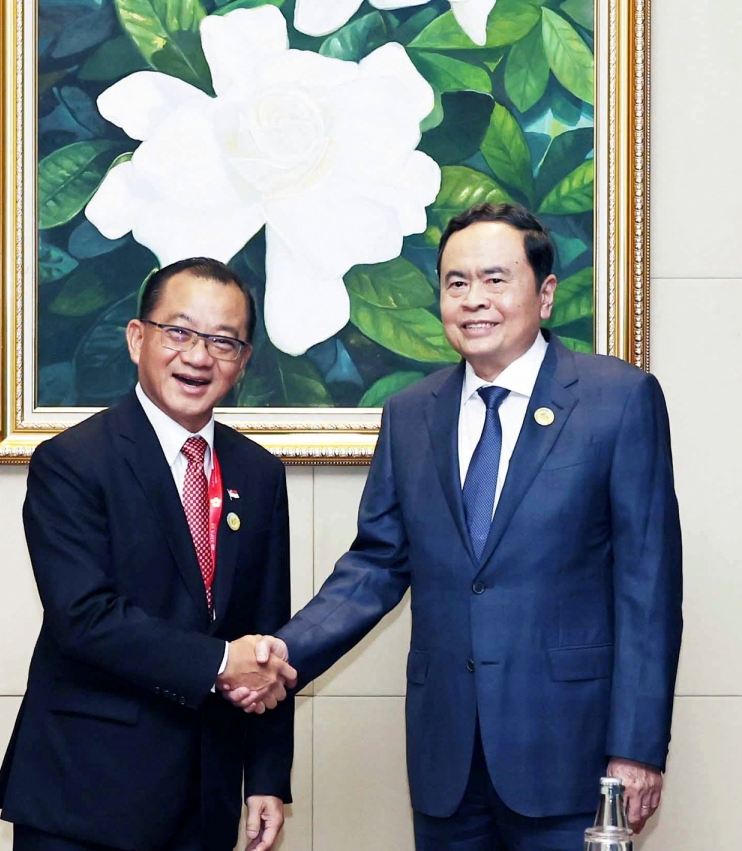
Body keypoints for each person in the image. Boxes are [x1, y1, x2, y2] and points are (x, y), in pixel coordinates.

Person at [230, 204, 683, 850]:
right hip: (447, 760)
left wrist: (636, 749)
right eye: (456, 282)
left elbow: (649, 588)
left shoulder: (618, 400)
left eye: (496, 280)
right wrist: (284, 651)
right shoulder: (412, 414)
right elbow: (375, 566)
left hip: (572, 758)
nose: (474, 300)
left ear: (545, 293)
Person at [0, 257, 298, 851]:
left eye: (223, 341)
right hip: (85, 795)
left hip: (205, 797)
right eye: (179, 332)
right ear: (137, 338)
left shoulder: (258, 473)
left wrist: (266, 777)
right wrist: (216, 663)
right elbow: (84, 618)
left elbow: (266, 637)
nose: (199, 356)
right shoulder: (72, 462)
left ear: (243, 360)